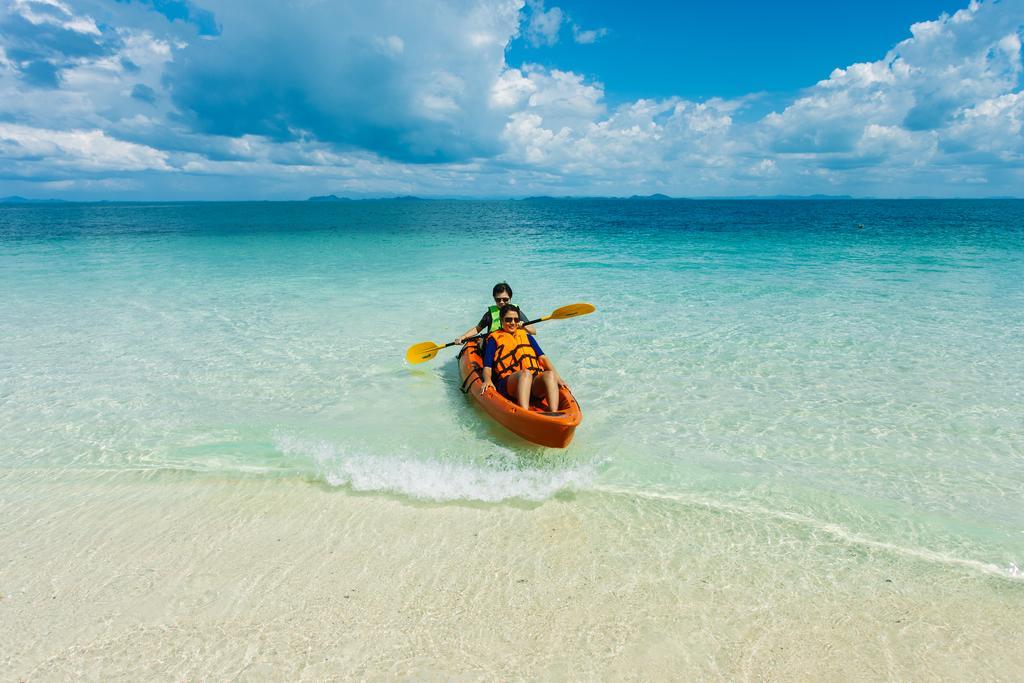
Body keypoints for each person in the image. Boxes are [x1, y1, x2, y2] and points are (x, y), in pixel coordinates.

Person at [479, 304, 566, 411]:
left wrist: (558, 377)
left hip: (533, 383)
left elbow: (543, 358)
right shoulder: (494, 339)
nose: (512, 323)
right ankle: (524, 412)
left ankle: (554, 413)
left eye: (516, 320)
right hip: (509, 384)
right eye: (508, 320)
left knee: (549, 374)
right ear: (502, 320)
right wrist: (487, 380)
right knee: (525, 374)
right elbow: (487, 366)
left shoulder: (526, 335)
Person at [455, 282, 536, 345]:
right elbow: (477, 329)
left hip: (513, 344)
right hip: (495, 346)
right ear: (494, 298)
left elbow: (533, 332)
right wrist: (463, 337)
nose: (501, 302)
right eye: (498, 299)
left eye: (505, 299)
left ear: (510, 298)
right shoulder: (489, 314)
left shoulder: (516, 312)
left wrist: (524, 327)